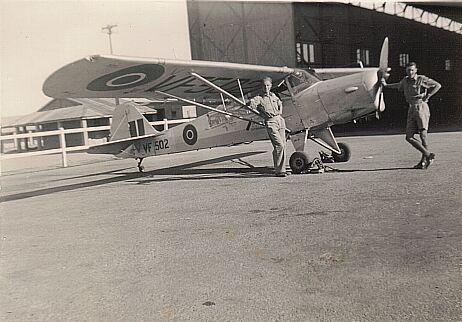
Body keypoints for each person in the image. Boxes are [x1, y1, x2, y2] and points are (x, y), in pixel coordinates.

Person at [382, 62, 441, 169]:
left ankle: (423, 161)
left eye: (412, 70)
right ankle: (428, 155)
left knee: (423, 135)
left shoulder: (421, 79)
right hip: (411, 108)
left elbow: (437, 85)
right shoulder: (405, 80)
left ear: (416, 70)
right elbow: (398, 86)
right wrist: (386, 85)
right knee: (409, 137)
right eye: (408, 70)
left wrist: (428, 95)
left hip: (421, 107)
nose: (410, 72)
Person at [249, 77, 288, 177]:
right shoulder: (259, 98)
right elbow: (251, 105)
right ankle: (279, 171)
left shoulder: (274, 96)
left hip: (280, 120)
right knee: (280, 145)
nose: (266, 87)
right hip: (271, 123)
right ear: (261, 87)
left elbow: (280, 103)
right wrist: (262, 113)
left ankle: (281, 169)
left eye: (268, 85)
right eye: (264, 86)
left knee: (282, 146)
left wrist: (280, 112)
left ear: (270, 86)